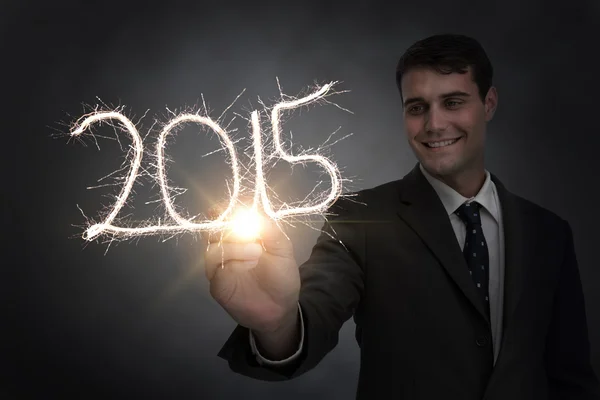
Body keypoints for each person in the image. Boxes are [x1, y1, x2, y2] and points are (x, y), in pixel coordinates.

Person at [204, 34, 600, 399]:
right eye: (417, 108)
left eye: (453, 102)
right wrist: (276, 324)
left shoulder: (548, 233)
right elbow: (315, 316)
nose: (434, 124)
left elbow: (570, 376)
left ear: (489, 103)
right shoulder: (359, 219)